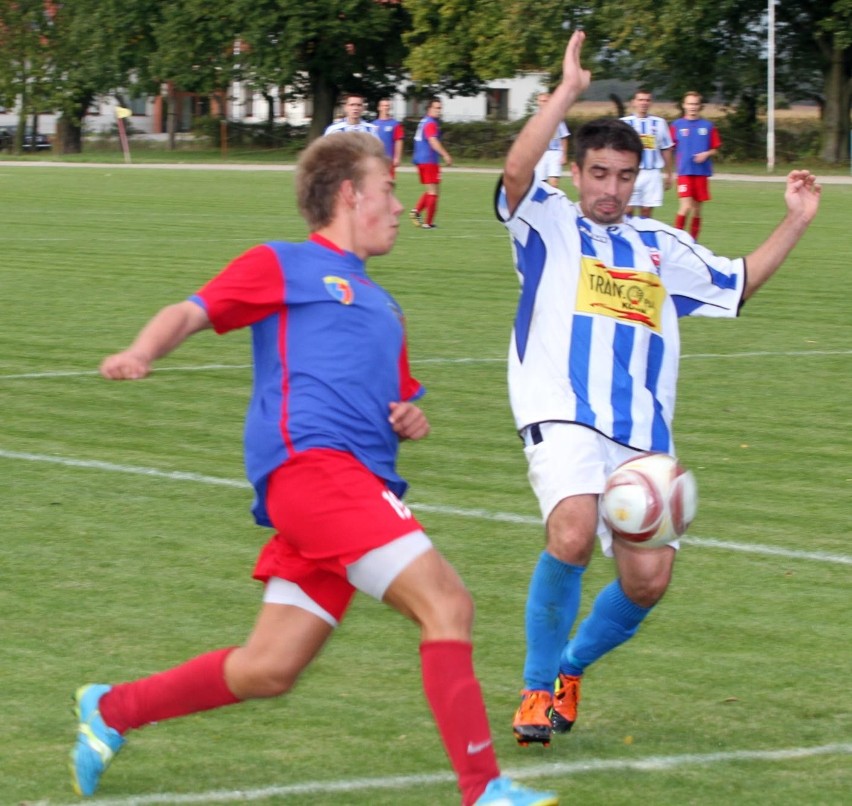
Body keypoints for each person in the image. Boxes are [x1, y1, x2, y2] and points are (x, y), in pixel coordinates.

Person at [69, 133, 557, 806]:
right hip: (313, 472)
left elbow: (397, 401)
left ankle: (113, 709)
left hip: (344, 492)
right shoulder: (284, 262)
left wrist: (408, 419)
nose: (398, 204)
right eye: (387, 191)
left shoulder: (386, 308)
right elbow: (192, 309)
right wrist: (142, 350)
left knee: (268, 669)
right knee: (447, 603)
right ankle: (484, 789)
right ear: (350, 196)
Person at [496, 31, 820, 748]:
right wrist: (565, 94)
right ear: (577, 173)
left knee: (648, 582)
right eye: (599, 173)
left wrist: (794, 222)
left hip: (642, 435)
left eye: (622, 177)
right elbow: (517, 169)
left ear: (639, 181)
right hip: (563, 415)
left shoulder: (659, 248)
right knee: (572, 532)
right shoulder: (546, 223)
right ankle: (533, 690)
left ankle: (571, 669)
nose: (610, 188)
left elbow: (736, 285)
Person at [670, 91, 721, 240]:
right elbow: (668, 147)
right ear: (684, 105)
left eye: (695, 104)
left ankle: (693, 242)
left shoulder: (708, 126)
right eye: (690, 104)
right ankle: (676, 239)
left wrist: (706, 154)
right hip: (684, 172)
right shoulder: (677, 125)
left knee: (697, 210)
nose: (692, 107)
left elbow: (715, 148)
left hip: (701, 172)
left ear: (700, 106)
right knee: (685, 207)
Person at [620, 88, 674, 217]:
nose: (643, 103)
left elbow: (666, 148)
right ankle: (629, 236)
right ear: (634, 102)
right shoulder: (624, 123)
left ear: (651, 103)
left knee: (646, 212)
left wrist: (669, 173)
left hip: (652, 173)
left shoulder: (659, 123)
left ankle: (643, 237)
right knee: (627, 210)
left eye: (647, 100)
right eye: (640, 100)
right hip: (631, 172)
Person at [410, 98, 453, 229]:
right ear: (429, 109)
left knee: (431, 191)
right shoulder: (430, 123)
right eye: (436, 108)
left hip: (421, 160)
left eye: (440, 108)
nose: (438, 111)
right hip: (429, 160)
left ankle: (416, 211)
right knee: (433, 192)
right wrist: (445, 155)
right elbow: (433, 141)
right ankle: (428, 223)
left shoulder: (424, 121)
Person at [534, 92, 570, 188]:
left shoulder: (557, 117)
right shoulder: (535, 119)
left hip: (555, 152)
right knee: (540, 183)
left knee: (553, 183)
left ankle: (554, 201)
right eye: (541, 101)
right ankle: (542, 203)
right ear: (538, 102)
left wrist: (564, 155)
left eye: (546, 101)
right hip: (540, 154)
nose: (543, 103)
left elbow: (564, 136)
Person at [375, 97, 404, 178]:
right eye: (383, 106)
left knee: (388, 184)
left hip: (388, 160)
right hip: (376, 160)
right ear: (379, 108)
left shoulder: (395, 124)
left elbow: (399, 141)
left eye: (387, 106)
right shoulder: (372, 125)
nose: (385, 108)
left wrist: (397, 157)